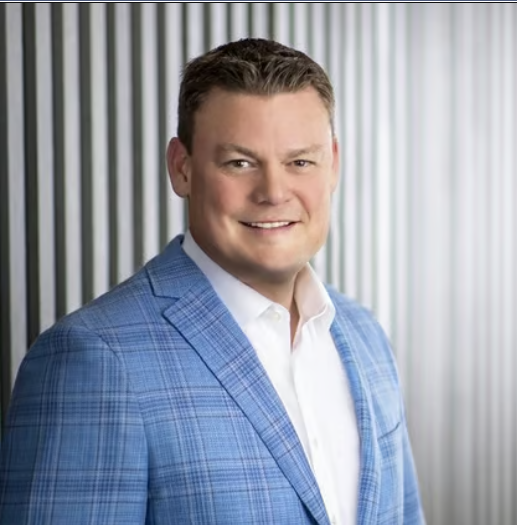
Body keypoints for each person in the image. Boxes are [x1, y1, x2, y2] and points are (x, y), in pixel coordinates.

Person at [0, 38, 425, 525]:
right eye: (240, 162)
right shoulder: (95, 359)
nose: (273, 192)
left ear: (333, 163)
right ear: (181, 168)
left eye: (300, 162)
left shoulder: (365, 336)